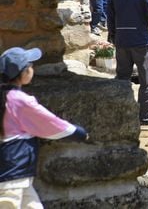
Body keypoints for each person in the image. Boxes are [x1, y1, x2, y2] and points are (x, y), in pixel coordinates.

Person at [0, 47, 90, 207]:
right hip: (13, 171)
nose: (32, 68)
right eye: (30, 65)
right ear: (23, 72)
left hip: (18, 174)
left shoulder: (8, 97)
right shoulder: (20, 100)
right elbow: (48, 122)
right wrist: (77, 132)